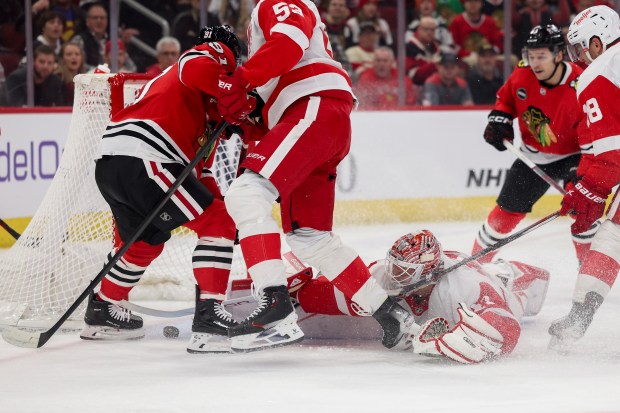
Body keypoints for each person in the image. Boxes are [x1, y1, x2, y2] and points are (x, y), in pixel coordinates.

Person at [216, 0, 414, 353]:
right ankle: (388, 312)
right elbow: (271, 83)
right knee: (310, 236)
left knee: (246, 195)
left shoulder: (278, 1)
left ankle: (274, 308)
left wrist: (240, 81)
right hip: (316, 114)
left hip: (312, 106)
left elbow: (289, 43)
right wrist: (247, 119)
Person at [80, 25, 242, 354]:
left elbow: (201, 172)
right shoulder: (204, 56)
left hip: (114, 164)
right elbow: (196, 64)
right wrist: (241, 89)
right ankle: (210, 321)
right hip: (146, 158)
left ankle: (103, 310)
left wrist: (218, 204)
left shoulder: (197, 108)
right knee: (218, 223)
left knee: (143, 244)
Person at [231, 230, 551, 363]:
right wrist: (296, 296)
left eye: (405, 271)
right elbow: (338, 297)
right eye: (395, 266)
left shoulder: (465, 286)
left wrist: (469, 339)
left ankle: (512, 272)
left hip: (499, 287)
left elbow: (508, 330)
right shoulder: (384, 275)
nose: (395, 276)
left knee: (513, 293)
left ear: (429, 271)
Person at [473, 24, 596, 265]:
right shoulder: (521, 74)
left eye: (542, 56)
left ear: (559, 55)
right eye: (531, 55)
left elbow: (592, 129)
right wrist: (501, 120)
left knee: (584, 215)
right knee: (505, 213)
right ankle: (475, 265)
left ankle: (589, 273)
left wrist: (582, 171)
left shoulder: (581, 83)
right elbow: (505, 100)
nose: (535, 63)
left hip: (577, 155)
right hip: (535, 156)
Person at [548, 6, 620, 350]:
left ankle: (580, 317)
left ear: (597, 42)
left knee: (613, 235)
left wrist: (589, 191)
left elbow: (612, 154)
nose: (580, 59)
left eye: (580, 48)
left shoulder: (600, 72)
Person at [1, 45, 65, 107]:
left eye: (50, 63)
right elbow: (16, 106)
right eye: (42, 62)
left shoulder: (55, 81)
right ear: (33, 61)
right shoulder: (16, 79)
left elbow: (59, 107)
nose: (45, 66)